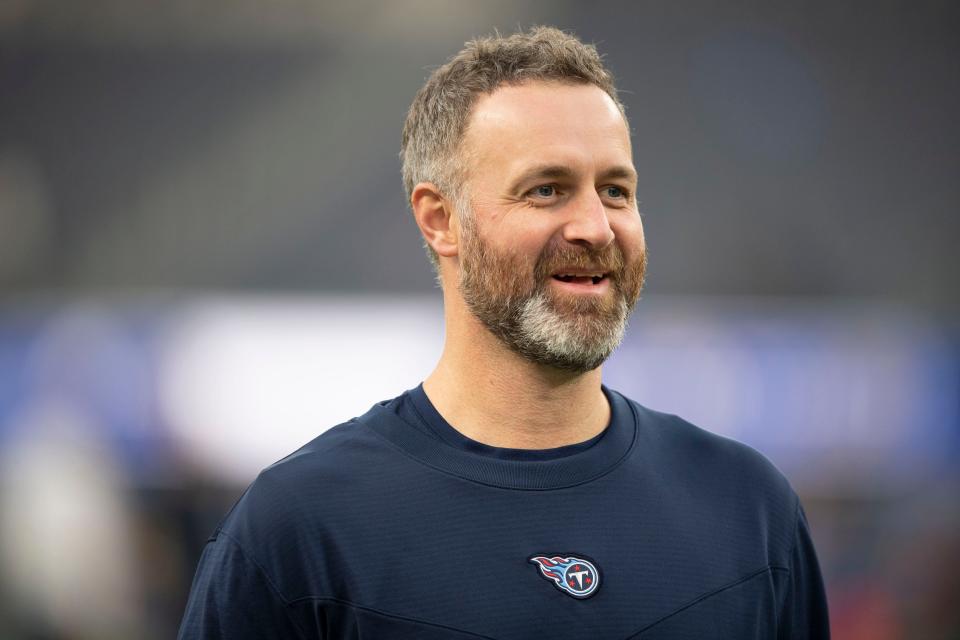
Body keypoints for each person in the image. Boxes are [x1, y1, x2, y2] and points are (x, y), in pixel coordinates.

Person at [178, 26, 830, 639]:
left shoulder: (749, 509)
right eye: (547, 190)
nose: (596, 227)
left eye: (615, 190)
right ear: (441, 220)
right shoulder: (298, 527)